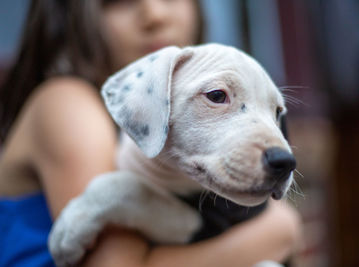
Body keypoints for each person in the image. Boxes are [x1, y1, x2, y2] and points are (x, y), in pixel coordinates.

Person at [0, 0, 301, 266]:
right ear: (69, 13)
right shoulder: (67, 104)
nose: (154, 13)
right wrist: (277, 231)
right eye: (119, 1)